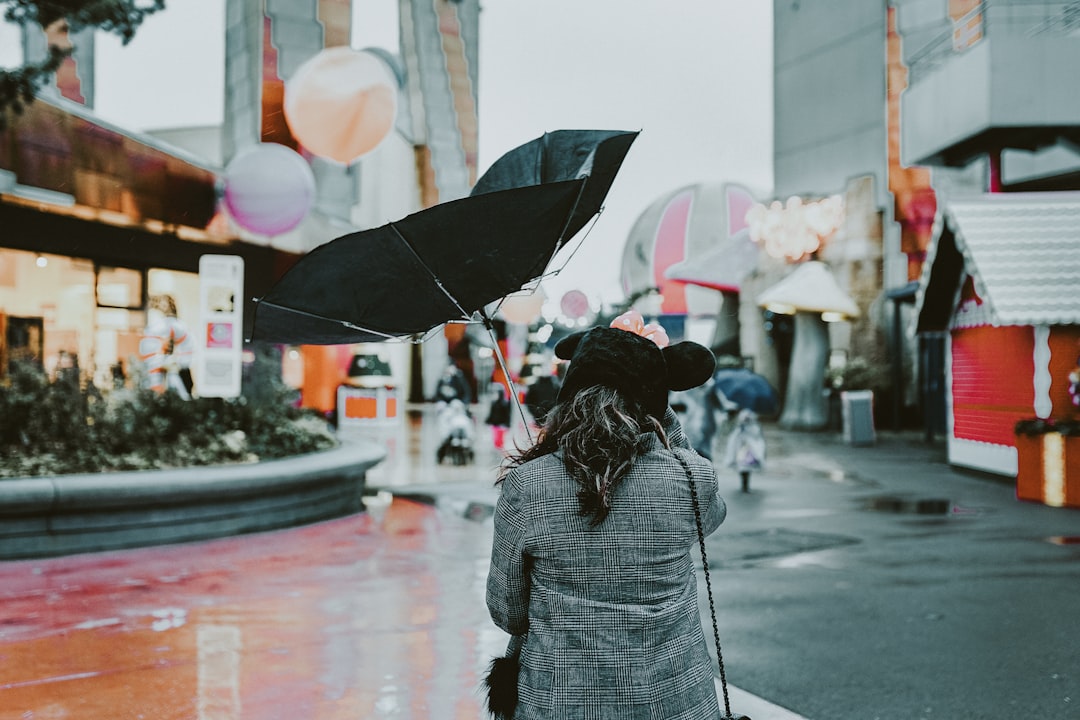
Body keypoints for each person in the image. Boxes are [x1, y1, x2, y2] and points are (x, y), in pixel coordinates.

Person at [486, 310, 727, 719]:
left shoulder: (527, 485)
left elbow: (507, 611)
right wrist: (664, 418)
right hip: (674, 700)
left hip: (561, 702)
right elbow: (712, 516)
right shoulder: (691, 477)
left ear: (568, 398)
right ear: (654, 404)